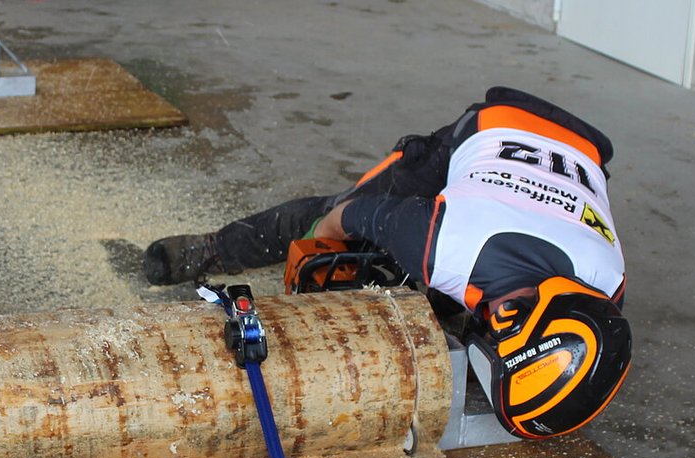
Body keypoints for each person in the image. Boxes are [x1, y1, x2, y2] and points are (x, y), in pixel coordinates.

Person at [142, 86, 632, 439]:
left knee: (442, 301)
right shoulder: (444, 244)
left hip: (583, 154)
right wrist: (314, 246)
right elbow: (350, 217)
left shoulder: (606, 290)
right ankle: (214, 248)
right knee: (330, 212)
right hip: (493, 126)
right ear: (509, 315)